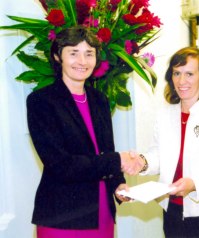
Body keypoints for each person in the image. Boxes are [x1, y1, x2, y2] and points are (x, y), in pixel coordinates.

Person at [126, 47, 199, 238]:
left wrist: (195, 184)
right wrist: (143, 162)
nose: (181, 81)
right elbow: (159, 155)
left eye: (189, 74)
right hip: (171, 211)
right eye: (176, 73)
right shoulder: (165, 115)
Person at [26, 25, 131, 238]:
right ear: (57, 56)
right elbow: (61, 165)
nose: (82, 61)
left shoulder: (99, 100)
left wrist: (119, 184)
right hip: (62, 215)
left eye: (89, 54)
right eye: (73, 53)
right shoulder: (41, 102)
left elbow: (106, 150)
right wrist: (118, 160)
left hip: (101, 212)